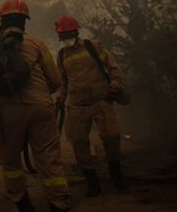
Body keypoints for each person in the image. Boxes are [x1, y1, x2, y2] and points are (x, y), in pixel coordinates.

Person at [0, 0, 71, 212]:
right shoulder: (37, 43)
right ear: (24, 21)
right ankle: (58, 204)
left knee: (10, 161)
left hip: (8, 110)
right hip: (41, 108)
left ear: (2, 20)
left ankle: (22, 203)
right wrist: (42, 93)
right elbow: (55, 80)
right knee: (48, 159)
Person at [54, 14, 128, 196]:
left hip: (101, 99)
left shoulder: (92, 46)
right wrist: (59, 98)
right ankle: (92, 181)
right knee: (78, 142)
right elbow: (62, 80)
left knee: (111, 136)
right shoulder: (62, 55)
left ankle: (115, 172)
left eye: (68, 34)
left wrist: (114, 86)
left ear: (76, 32)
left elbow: (114, 68)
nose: (66, 39)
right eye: (62, 37)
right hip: (77, 105)